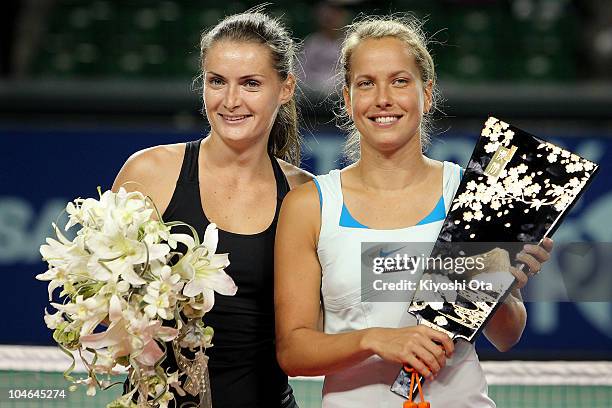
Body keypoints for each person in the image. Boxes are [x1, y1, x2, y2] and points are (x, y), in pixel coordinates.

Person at [275, 16, 553, 407]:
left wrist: (501, 289)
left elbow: (507, 336)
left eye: (400, 81)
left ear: (427, 92)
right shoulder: (310, 205)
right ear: (347, 98)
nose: (383, 98)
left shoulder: (470, 194)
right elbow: (292, 350)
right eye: (366, 83)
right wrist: (374, 339)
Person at [112, 11, 312, 408]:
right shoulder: (148, 172)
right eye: (216, 81)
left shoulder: (303, 193)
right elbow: (109, 309)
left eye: (251, 83)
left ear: (285, 88)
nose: (230, 101)